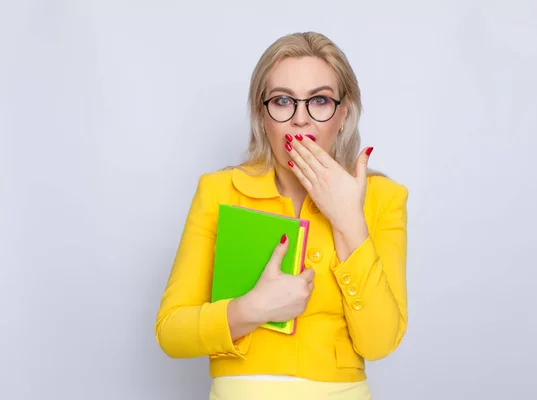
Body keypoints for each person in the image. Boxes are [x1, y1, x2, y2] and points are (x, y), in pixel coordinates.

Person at [154, 31, 409, 400]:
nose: (300, 120)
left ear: (344, 113)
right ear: (262, 115)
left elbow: (380, 342)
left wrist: (348, 221)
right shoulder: (219, 191)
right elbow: (170, 331)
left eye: (319, 100)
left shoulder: (384, 198)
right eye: (283, 101)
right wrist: (250, 309)